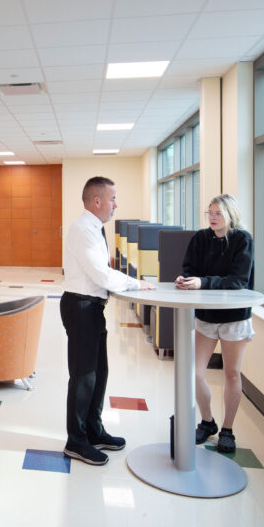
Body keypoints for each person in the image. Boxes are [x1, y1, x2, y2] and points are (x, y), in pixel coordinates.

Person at [61, 176, 152, 465]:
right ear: (97, 201)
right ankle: (76, 441)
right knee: (83, 377)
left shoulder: (95, 228)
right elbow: (101, 275)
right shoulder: (82, 231)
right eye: (112, 199)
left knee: (99, 373)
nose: (116, 204)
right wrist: (137, 284)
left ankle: (93, 430)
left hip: (92, 307)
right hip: (80, 307)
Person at [175, 193, 254, 454]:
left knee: (231, 374)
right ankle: (207, 421)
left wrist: (204, 281)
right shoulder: (200, 238)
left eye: (218, 213)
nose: (212, 217)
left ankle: (228, 430)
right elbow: (190, 268)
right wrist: (185, 279)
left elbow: (238, 280)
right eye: (209, 213)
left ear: (230, 214)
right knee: (195, 373)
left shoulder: (242, 240)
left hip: (234, 317)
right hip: (207, 316)